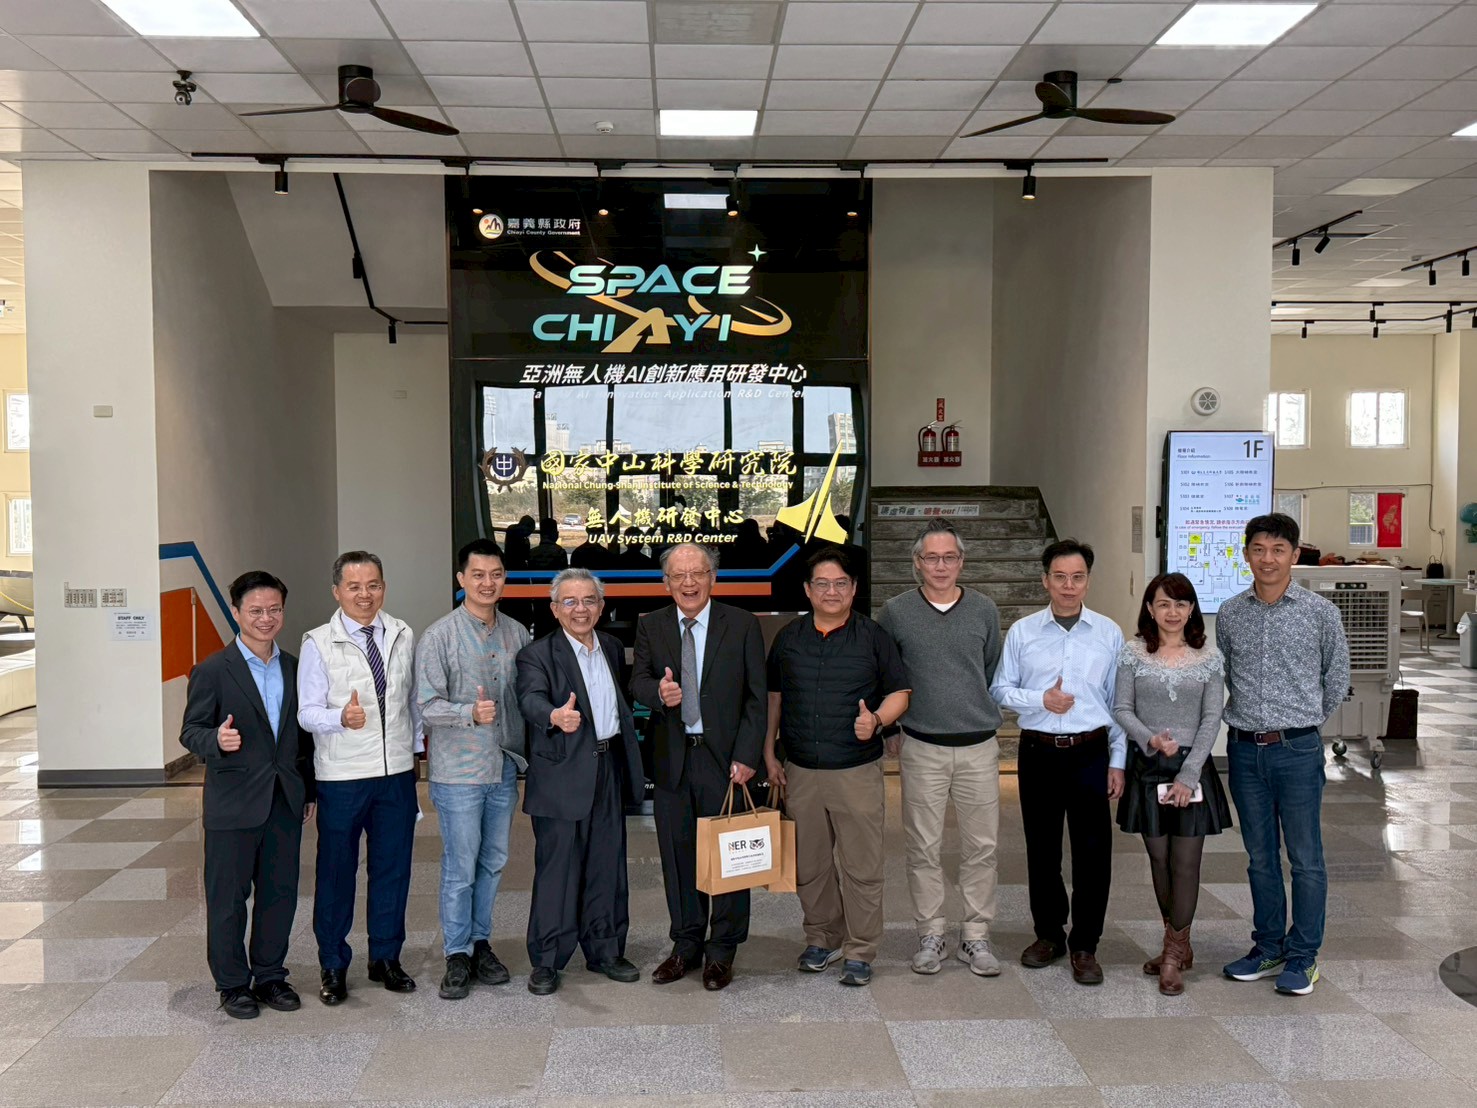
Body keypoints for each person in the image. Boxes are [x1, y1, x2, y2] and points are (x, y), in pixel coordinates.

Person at [764, 547, 910, 987]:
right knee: (810, 866)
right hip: (802, 770)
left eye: (840, 583)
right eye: (822, 584)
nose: (832, 591)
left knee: (861, 866)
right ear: (808, 590)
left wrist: (877, 720)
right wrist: (769, 753)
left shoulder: (873, 637)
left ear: (854, 588)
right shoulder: (789, 638)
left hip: (855, 771)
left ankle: (861, 949)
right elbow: (775, 699)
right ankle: (822, 937)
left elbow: (900, 692)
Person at [1217, 513, 1349, 997]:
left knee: (1306, 858)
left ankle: (1303, 955)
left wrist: (1305, 723)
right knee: (1259, 858)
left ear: (1294, 555)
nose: (1267, 559)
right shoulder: (1231, 612)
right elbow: (1227, 673)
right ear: (1246, 554)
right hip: (1244, 751)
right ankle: (1269, 947)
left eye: (1277, 550)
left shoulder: (1319, 612)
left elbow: (1337, 676)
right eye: (1258, 549)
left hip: (1297, 749)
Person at [179, 571, 315, 1020]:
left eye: (274, 609)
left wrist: (308, 789)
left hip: (283, 799)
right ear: (236, 613)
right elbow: (191, 731)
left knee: (280, 894)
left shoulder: (295, 667)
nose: (265, 618)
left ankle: (271, 975)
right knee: (228, 900)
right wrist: (215, 740)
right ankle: (233, 984)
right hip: (233, 803)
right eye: (255, 610)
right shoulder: (213, 670)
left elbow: (303, 739)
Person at [631, 543, 767, 991]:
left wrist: (748, 755)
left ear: (713, 577)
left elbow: (756, 697)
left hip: (725, 760)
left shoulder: (741, 624)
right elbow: (638, 680)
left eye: (698, 573)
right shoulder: (651, 624)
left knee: (729, 856)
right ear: (665, 582)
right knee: (677, 855)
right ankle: (686, 944)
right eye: (679, 575)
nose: (688, 583)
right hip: (673, 758)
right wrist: (657, 694)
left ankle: (722, 949)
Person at [991, 538, 1125, 986]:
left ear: (1088, 581)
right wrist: (1040, 699)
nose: (1069, 586)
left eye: (1078, 577)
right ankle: (1048, 934)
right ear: (1045, 580)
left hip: (1091, 751)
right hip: (1039, 753)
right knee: (1042, 849)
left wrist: (1118, 761)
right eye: (1060, 577)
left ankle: (1086, 944)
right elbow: (1000, 689)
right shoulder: (1023, 632)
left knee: (1093, 852)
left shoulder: (1108, 633)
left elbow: (1118, 704)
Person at [877, 520, 1005, 978]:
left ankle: (976, 936)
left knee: (982, 846)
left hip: (978, 745)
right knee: (922, 846)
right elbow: (887, 674)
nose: (940, 565)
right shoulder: (896, 612)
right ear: (917, 563)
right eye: (931, 557)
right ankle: (930, 933)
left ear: (961, 562)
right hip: (922, 745)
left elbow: (990, 669)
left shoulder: (984, 610)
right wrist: (888, 729)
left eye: (949, 557)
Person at [516, 567, 646, 996]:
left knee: (607, 865)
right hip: (561, 773)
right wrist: (554, 715)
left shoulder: (611, 647)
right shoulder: (537, 654)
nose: (580, 609)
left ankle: (605, 949)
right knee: (558, 871)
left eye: (589, 600)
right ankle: (547, 959)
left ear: (601, 606)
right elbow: (529, 697)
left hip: (608, 767)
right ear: (555, 609)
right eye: (569, 601)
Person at [298, 551, 420, 1005]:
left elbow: (410, 703)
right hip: (343, 776)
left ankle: (385, 957)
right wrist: (339, 718)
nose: (365, 595)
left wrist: (414, 754)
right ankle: (333, 963)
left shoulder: (402, 633)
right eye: (354, 587)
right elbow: (306, 713)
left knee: (393, 869)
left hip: (395, 775)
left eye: (373, 585)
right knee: (336, 873)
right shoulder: (317, 642)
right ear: (337, 591)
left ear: (383, 587)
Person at [417, 539, 529, 1001]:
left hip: (503, 767)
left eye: (496, 574)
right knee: (461, 866)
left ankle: (482, 944)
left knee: (494, 861)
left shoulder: (517, 633)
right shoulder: (439, 636)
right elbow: (426, 705)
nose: (488, 583)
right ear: (461, 579)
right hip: (459, 772)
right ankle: (456, 953)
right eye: (478, 575)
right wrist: (469, 713)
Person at [1112, 572, 1233, 997]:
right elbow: (1121, 708)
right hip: (1148, 766)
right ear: (1149, 608)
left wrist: (1188, 773)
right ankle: (1177, 943)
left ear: (1192, 609)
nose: (1172, 612)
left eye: (1181, 604)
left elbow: (1211, 718)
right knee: (1158, 859)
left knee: (1185, 862)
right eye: (1163, 603)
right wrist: (1150, 739)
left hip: (1192, 770)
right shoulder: (1132, 654)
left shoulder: (1208, 658)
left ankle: (1171, 955)